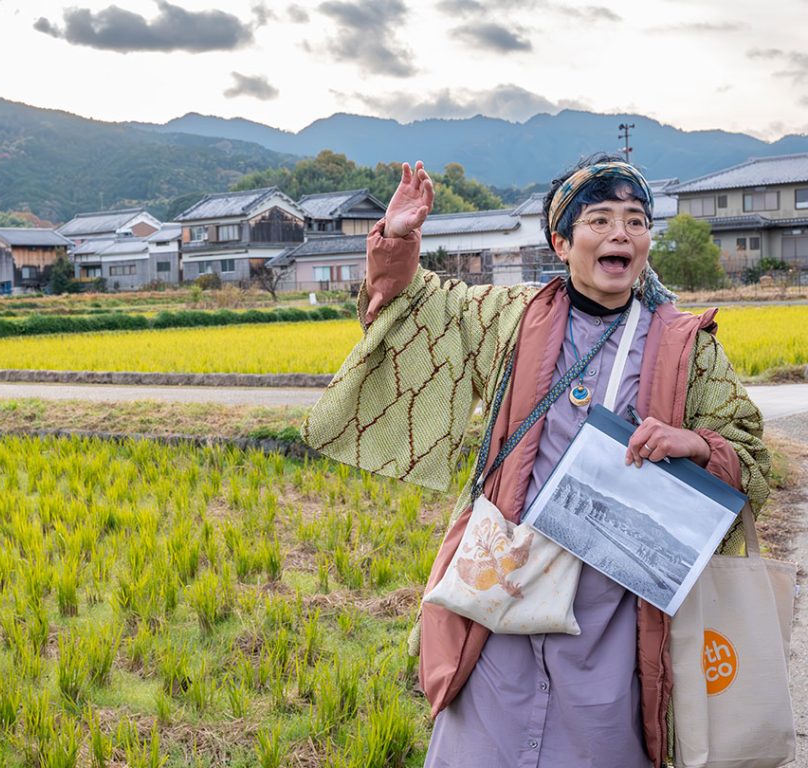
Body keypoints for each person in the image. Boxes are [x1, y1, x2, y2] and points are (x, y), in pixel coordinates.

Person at [302, 154, 769, 768]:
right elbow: (414, 306)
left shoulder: (686, 346)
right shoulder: (509, 318)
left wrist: (697, 446)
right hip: (503, 598)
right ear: (561, 241)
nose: (620, 235)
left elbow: (752, 456)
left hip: (614, 620)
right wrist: (396, 240)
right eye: (599, 220)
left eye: (635, 221)